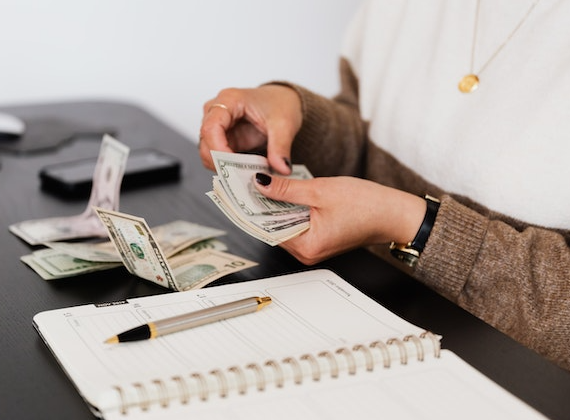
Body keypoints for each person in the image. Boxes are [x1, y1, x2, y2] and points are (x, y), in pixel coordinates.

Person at [197, 0, 570, 371]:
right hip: (359, 325)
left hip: (508, 378)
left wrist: (415, 225)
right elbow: (371, 139)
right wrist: (297, 115)